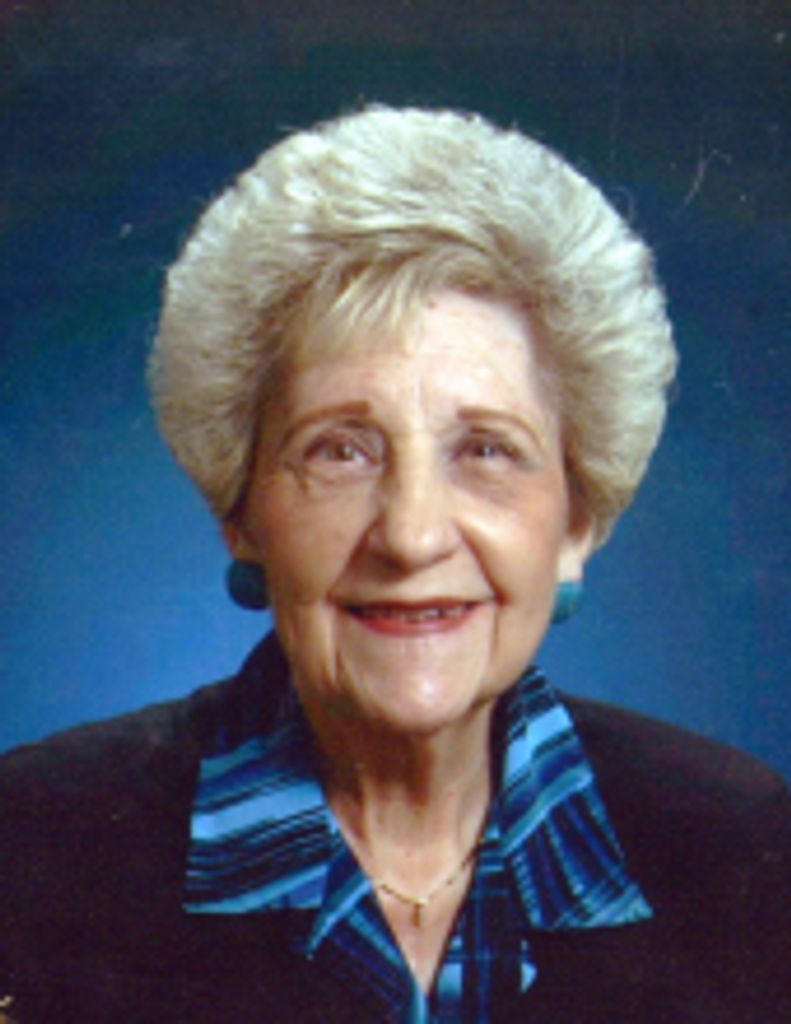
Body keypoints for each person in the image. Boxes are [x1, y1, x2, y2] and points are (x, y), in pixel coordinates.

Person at [1, 105, 789, 1024]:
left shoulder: (744, 846)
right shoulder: (32, 848)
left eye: (486, 450)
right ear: (239, 510)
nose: (411, 537)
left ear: (578, 518)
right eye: (340, 450)